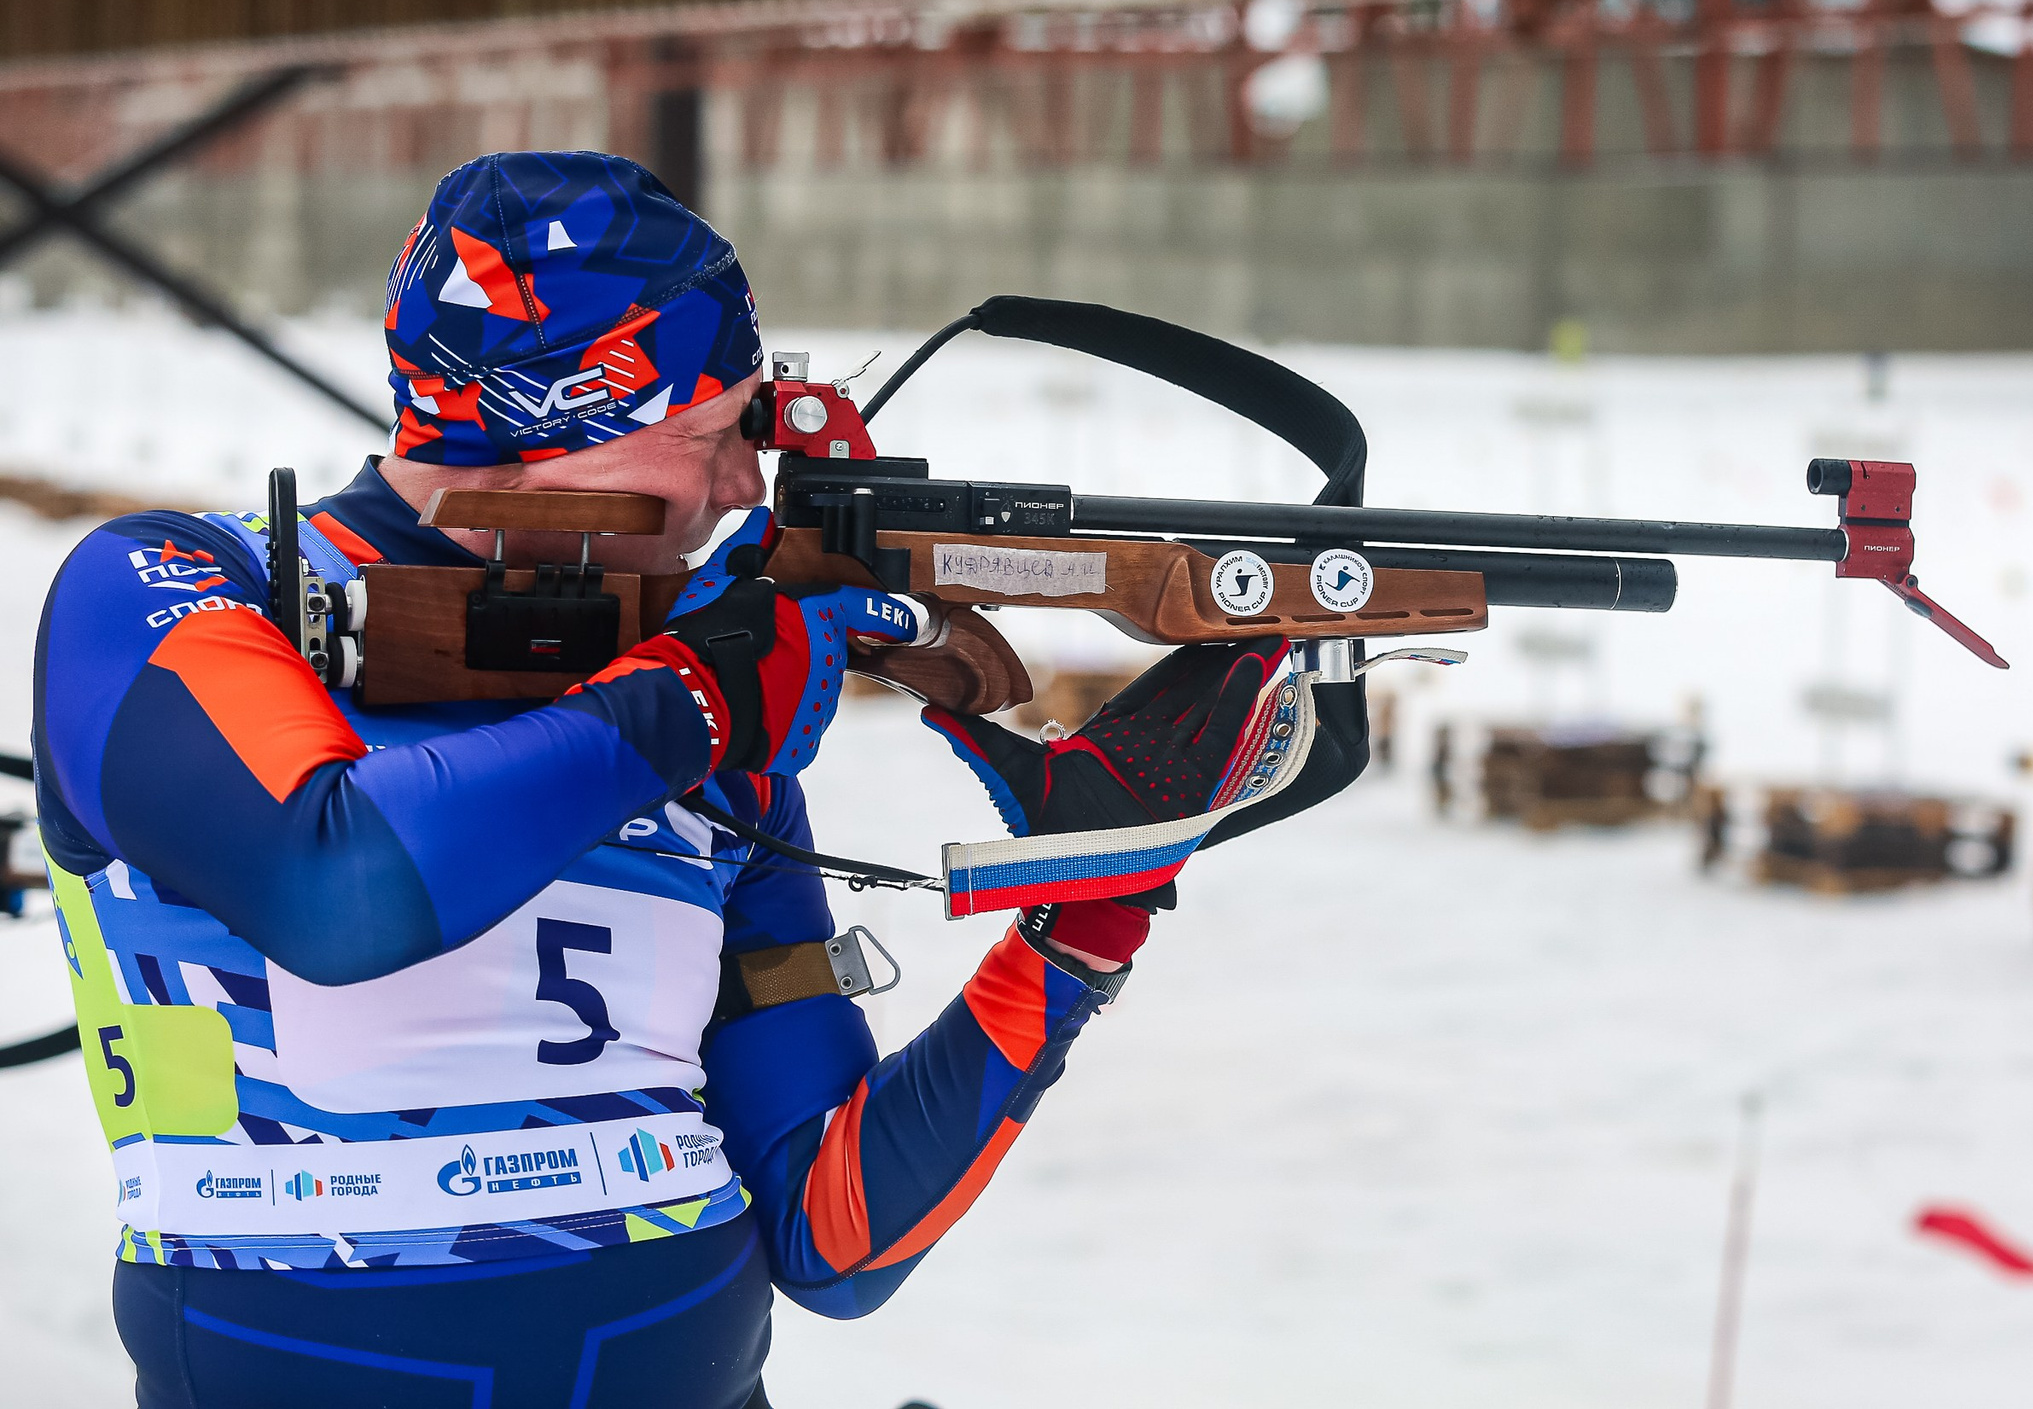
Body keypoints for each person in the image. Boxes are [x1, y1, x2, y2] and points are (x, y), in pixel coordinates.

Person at [32, 151, 1353, 1408]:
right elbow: (338, 887)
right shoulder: (182, 594)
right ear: (553, 417)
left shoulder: (697, 706)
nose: (742, 482)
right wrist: (695, 699)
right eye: (711, 428)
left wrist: (1088, 916)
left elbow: (837, 1235)